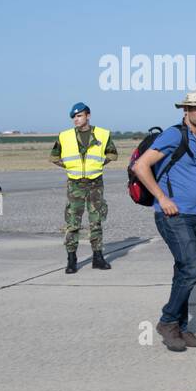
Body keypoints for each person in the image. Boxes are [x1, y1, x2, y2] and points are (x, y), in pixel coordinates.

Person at [132, 92, 196, 353]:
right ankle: (167, 321)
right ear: (186, 110)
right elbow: (141, 166)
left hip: (194, 214)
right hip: (173, 215)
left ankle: (179, 327)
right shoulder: (173, 134)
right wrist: (162, 197)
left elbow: (188, 172)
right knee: (192, 268)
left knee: (183, 270)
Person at [51, 102, 116, 273]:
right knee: (73, 223)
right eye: (74, 117)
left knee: (96, 221)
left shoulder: (102, 134)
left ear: (88, 115)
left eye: (79, 116)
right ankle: (71, 259)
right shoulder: (64, 136)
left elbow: (112, 153)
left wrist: (101, 163)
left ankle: (98, 257)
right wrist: (70, 168)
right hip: (75, 185)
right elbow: (54, 157)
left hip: (95, 184)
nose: (76, 120)